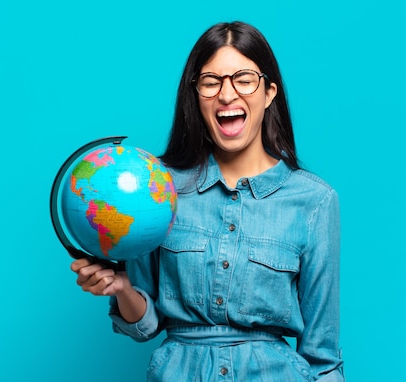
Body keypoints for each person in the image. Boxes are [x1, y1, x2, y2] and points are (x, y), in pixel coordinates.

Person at [71, 21, 344, 381]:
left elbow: (323, 360)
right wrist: (123, 289)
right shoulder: (158, 189)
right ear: (195, 95)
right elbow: (145, 325)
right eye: (211, 82)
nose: (227, 95)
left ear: (269, 92)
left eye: (243, 79)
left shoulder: (315, 201)